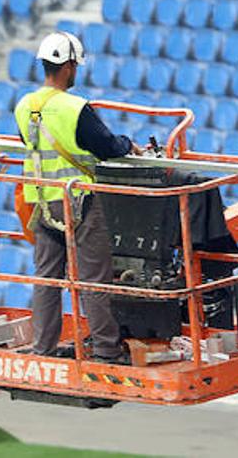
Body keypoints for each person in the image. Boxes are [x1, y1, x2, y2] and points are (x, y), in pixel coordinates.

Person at [15, 31, 146, 363]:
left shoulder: (24, 105)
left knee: (46, 278)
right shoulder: (75, 108)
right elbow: (107, 146)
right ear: (69, 66)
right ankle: (105, 349)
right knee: (93, 278)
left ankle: (43, 348)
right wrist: (128, 144)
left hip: (41, 201)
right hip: (79, 201)